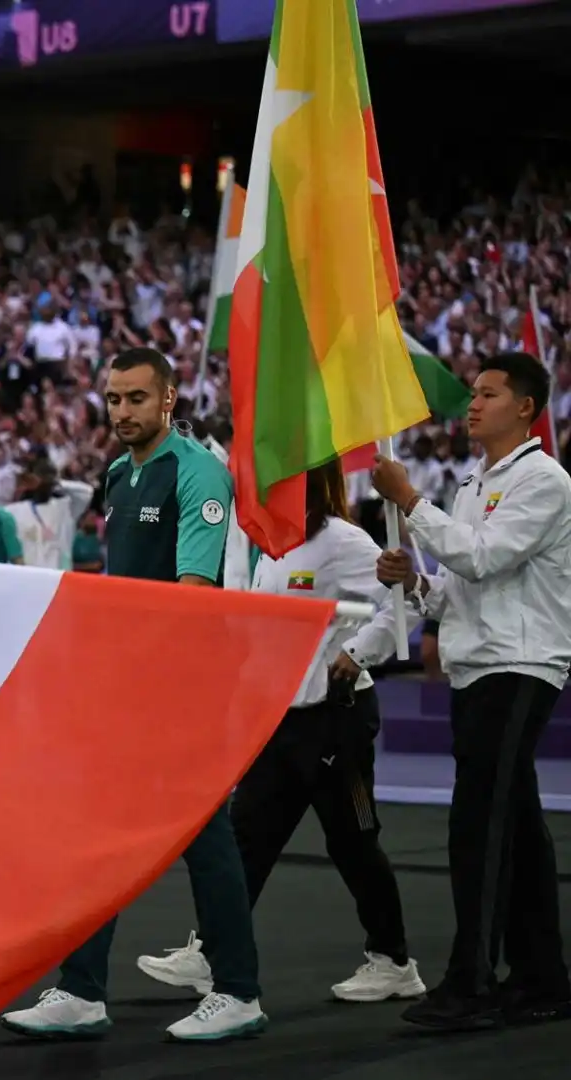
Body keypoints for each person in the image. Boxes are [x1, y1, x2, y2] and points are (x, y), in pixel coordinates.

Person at [2, 346, 266, 1042]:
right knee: (97, 837)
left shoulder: (198, 471)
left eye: (136, 399)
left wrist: (131, 671)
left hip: (183, 686)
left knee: (206, 840)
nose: (121, 412)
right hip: (128, 684)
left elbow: (193, 594)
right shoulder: (118, 473)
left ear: (169, 400)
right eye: (114, 399)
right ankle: (83, 990)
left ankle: (239, 991)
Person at [136, 460, 424, 1004]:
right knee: (246, 837)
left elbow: (402, 602)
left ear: (306, 484)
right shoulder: (270, 548)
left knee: (354, 844)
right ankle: (212, 952)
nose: (264, 491)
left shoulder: (343, 541)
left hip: (337, 719)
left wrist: (357, 652)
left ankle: (393, 961)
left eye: (277, 482)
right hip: (281, 719)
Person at [372, 351, 571, 1030]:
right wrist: (414, 584)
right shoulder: (471, 484)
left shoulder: (544, 480)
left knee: (478, 822)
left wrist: (409, 501)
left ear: (526, 407)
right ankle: (543, 976)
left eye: (488, 394)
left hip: (519, 662)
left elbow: (484, 557)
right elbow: (457, 589)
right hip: (479, 661)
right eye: (473, 394)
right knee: (512, 821)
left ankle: (472, 983)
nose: (472, 404)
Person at [6, 455, 95, 571]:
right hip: (27, 579)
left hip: (59, 580)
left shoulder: (66, 507)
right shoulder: (13, 511)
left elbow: (87, 492)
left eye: (45, 478)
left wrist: (55, 481)